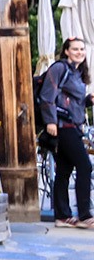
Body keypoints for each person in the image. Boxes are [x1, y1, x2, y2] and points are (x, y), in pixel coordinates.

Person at [39, 37, 94, 228]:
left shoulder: (77, 72)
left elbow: (70, 101)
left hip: (73, 126)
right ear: (67, 51)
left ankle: (62, 216)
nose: (79, 52)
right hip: (63, 127)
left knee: (63, 170)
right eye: (75, 49)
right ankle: (85, 216)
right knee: (85, 166)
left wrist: (88, 100)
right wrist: (50, 121)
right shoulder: (59, 68)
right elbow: (47, 96)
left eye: (82, 49)